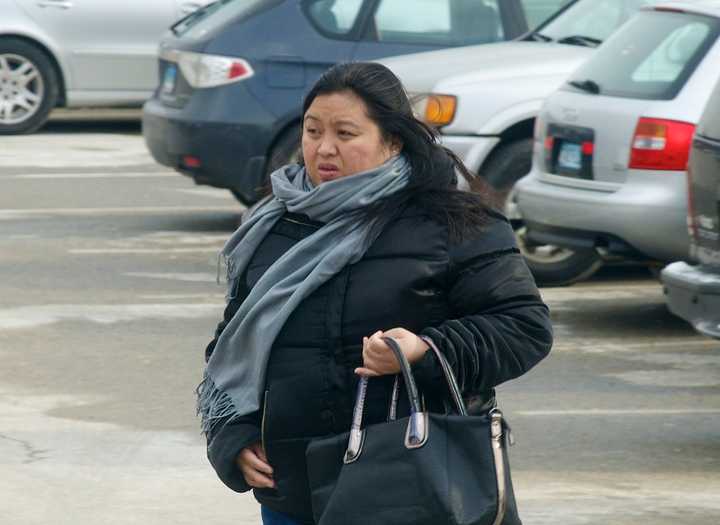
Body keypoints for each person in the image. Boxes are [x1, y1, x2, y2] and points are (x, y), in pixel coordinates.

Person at [198, 62, 553, 525]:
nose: (324, 148)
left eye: (346, 133)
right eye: (312, 131)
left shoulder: (453, 224)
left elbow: (523, 327)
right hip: (292, 488)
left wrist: (426, 350)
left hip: (413, 484)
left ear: (393, 140)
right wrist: (235, 435)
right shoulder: (276, 224)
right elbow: (234, 345)